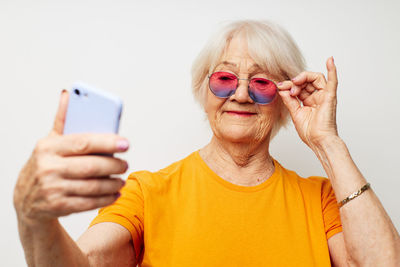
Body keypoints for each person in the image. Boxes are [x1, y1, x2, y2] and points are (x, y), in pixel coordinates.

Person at [14, 20, 400, 267]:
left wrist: (327, 141)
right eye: (225, 79)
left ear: (286, 98)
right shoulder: (148, 192)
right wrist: (33, 217)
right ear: (203, 89)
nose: (242, 95)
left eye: (262, 83)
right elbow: (87, 263)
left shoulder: (320, 200)